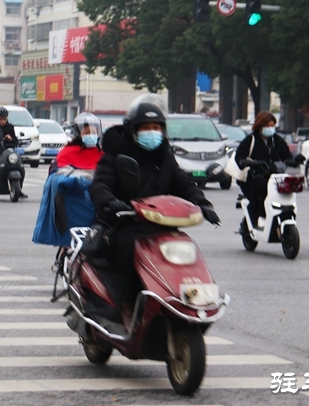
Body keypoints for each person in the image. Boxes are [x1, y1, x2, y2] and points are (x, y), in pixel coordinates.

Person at [89, 94, 220, 304]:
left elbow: (183, 183)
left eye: (157, 128)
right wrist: (110, 202)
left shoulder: (165, 157)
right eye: (146, 128)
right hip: (125, 225)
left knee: (185, 249)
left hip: (162, 226)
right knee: (129, 249)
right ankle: (128, 304)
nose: (152, 133)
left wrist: (202, 204)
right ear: (133, 130)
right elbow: (100, 185)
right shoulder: (114, 156)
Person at [32, 112, 104, 250]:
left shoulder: (103, 154)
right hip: (76, 202)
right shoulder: (67, 152)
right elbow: (58, 177)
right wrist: (79, 181)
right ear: (78, 133)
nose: (91, 135)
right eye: (87, 131)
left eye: (94, 131)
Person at [234, 111, 295, 229]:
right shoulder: (251, 140)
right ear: (260, 127)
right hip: (253, 177)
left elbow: (286, 155)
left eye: (272, 126)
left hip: (273, 176)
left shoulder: (277, 140)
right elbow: (239, 156)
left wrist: (292, 160)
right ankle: (259, 218)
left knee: (286, 190)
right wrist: (247, 162)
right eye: (268, 126)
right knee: (261, 191)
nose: (270, 128)